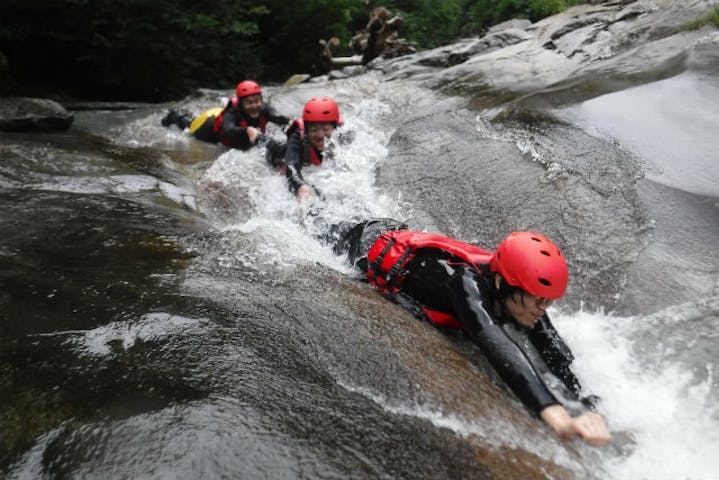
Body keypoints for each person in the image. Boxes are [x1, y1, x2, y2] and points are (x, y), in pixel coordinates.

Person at [330, 218, 611, 446]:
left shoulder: (517, 288)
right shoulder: (465, 284)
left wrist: (587, 406)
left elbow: (551, 348)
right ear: (501, 284)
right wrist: (557, 416)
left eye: (548, 301)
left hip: (391, 230)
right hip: (360, 243)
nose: (543, 309)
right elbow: (495, 341)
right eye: (539, 300)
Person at [161, 80, 289, 156]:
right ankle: (174, 116)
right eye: (249, 103)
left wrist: (291, 122)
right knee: (189, 126)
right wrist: (247, 130)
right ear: (241, 104)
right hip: (208, 125)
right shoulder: (232, 112)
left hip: (219, 117)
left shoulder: (264, 109)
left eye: (257, 101)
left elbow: (278, 118)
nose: (254, 106)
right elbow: (228, 130)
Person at [283, 96, 344, 200]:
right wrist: (301, 185)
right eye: (314, 130)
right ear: (306, 130)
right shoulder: (297, 138)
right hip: (284, 153)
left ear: (335, 128)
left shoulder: (343, 136)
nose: (320, 135)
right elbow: (291, 167)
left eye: (326, 129)